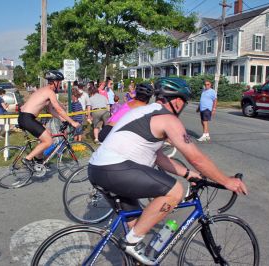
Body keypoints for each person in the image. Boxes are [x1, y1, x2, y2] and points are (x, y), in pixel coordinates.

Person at [88, 77, 247, 264]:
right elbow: (196, 157)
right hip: (115, 169)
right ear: (177, 100)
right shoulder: (167, 119)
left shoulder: (146, 112)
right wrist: (226, 181)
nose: (183, 106)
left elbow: (159, 158)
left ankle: (132, 248)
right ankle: (131, 243)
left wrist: (188, 174)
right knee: (175, 191)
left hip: (99, 170)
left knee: (137, 228)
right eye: (184, 102)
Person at [17, 70, 80, 168]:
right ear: (55, 82)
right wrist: (72, 122)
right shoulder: (50, 92)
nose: (60, 86)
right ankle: (27, 159)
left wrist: (63, 120)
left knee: (47, 135)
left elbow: (51, 111)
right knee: (48, 141)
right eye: (59, 83)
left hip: (25, 117)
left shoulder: (44, 90)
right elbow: (59, 109)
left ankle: (38, 162)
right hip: (27, 118)